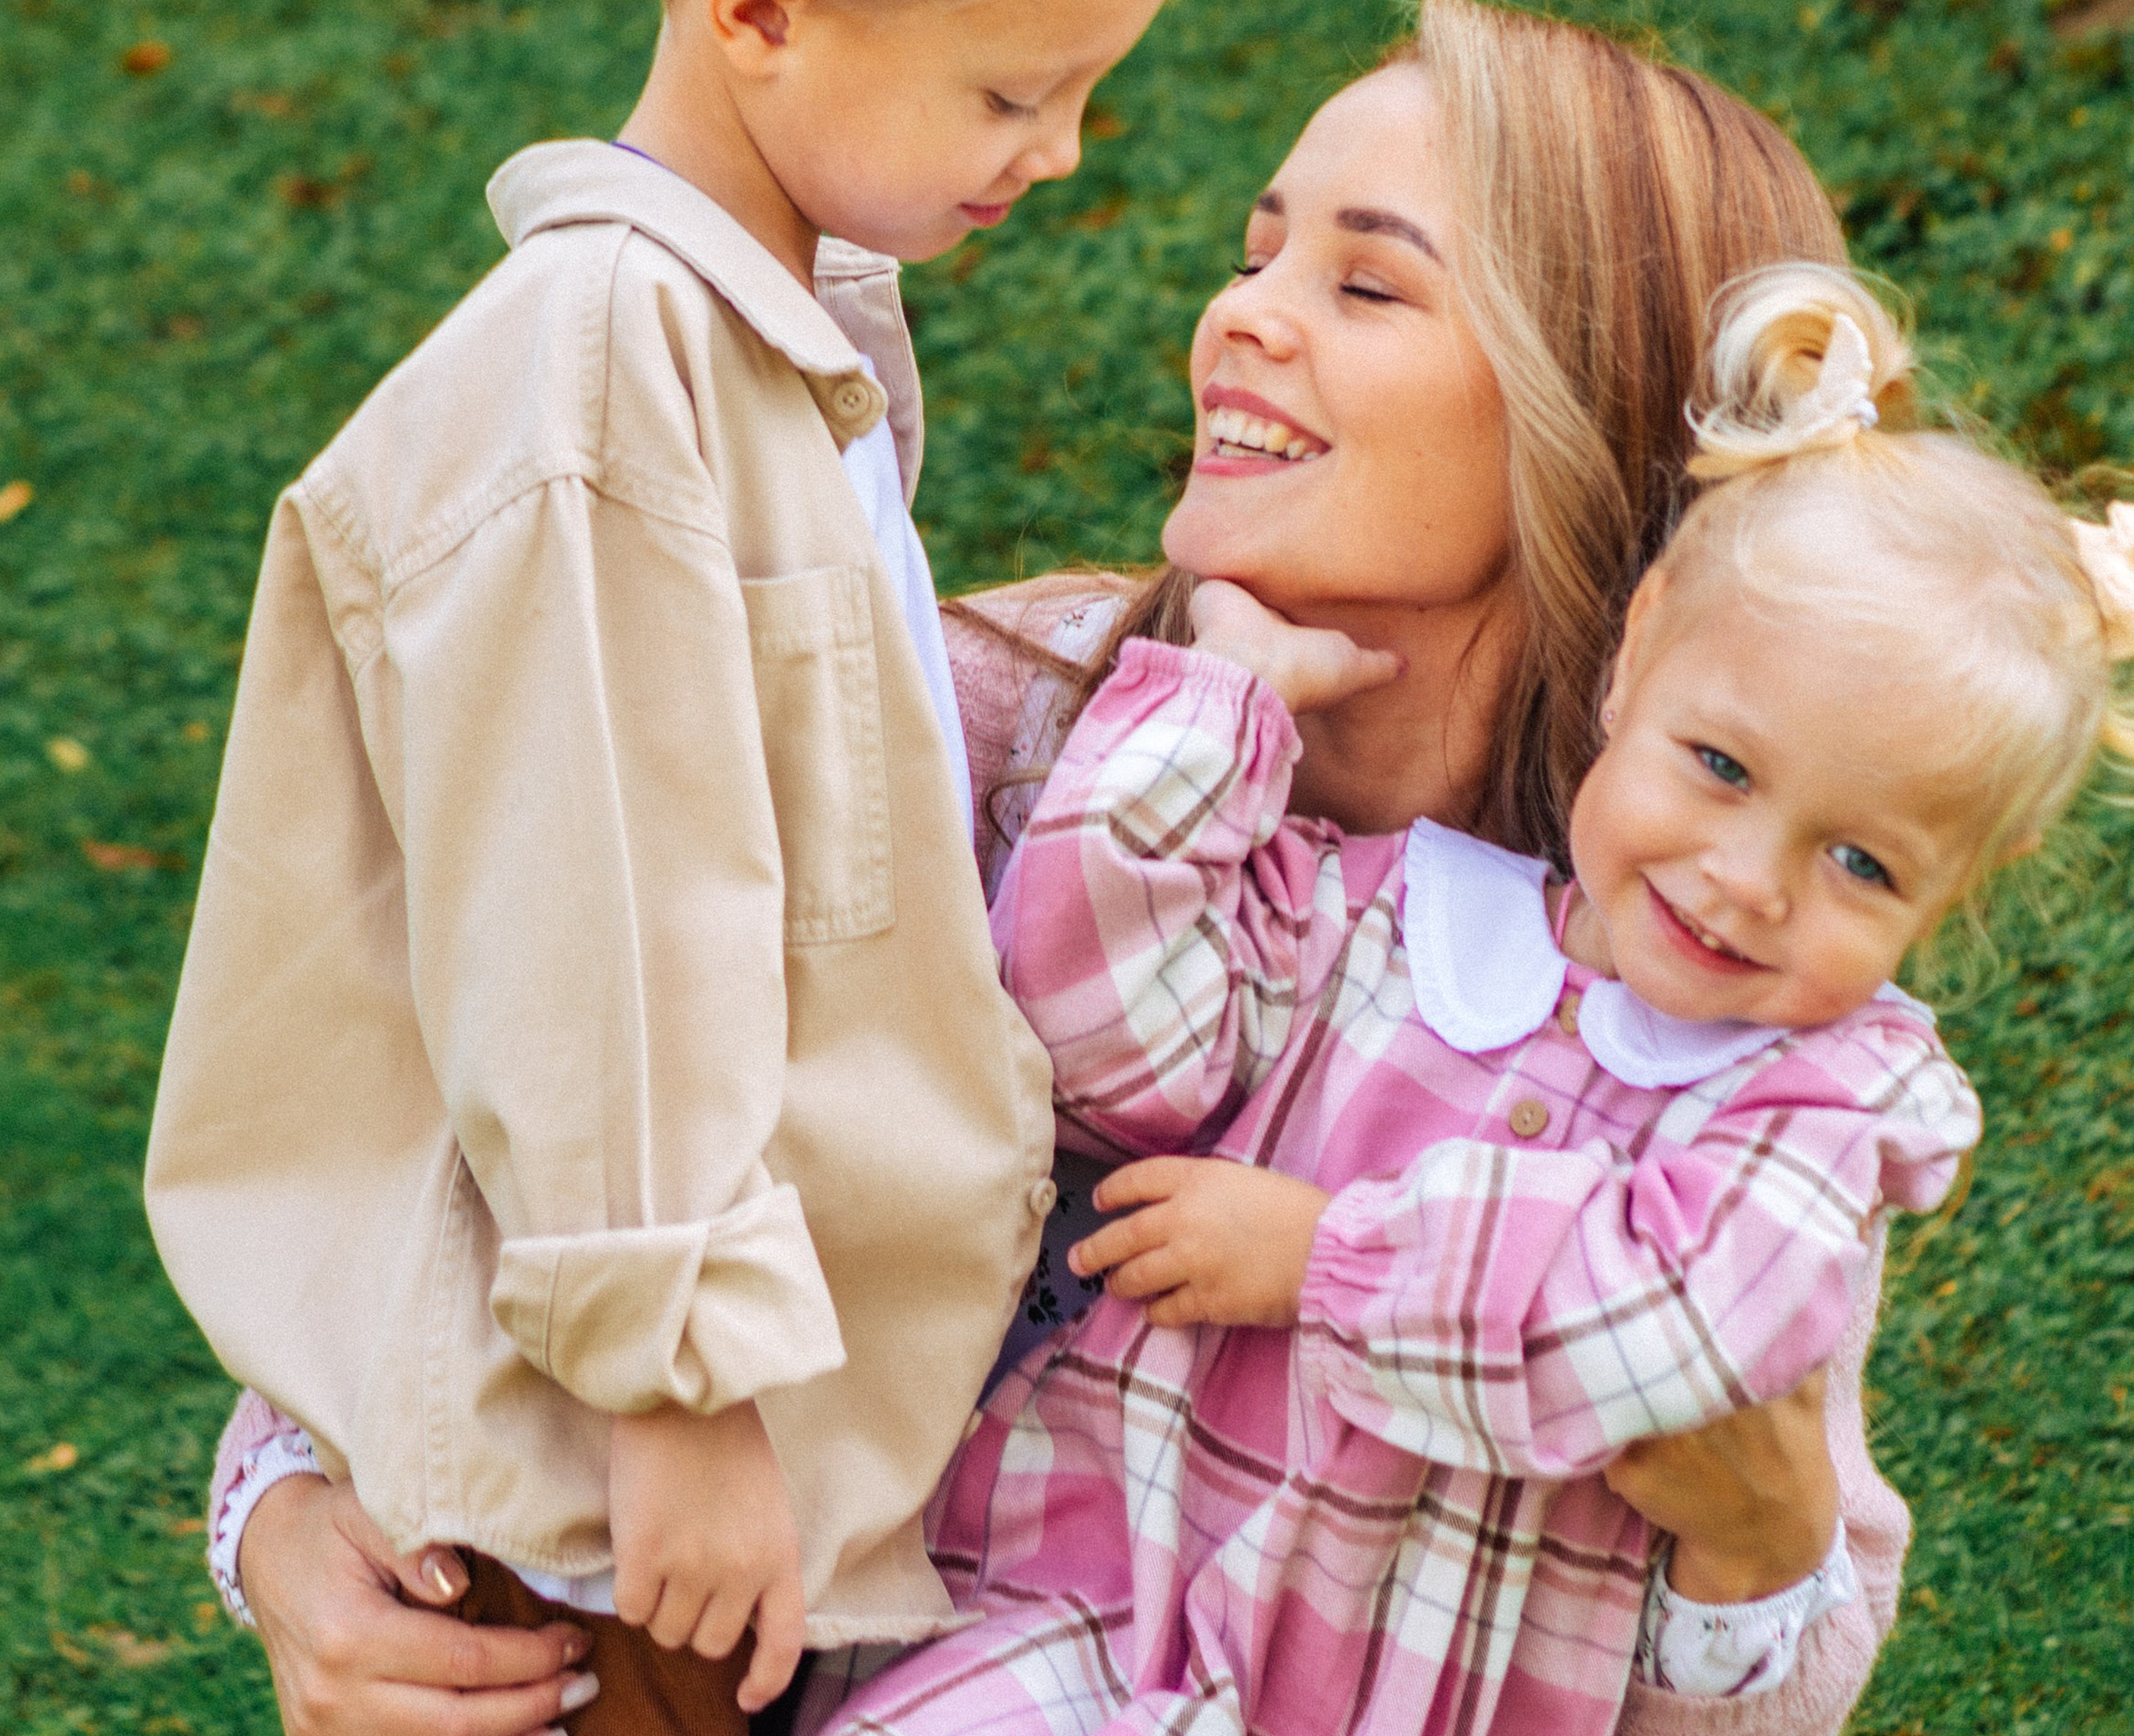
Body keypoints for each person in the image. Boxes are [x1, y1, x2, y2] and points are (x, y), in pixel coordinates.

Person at [207, 0, 1909, 1736]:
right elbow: (528, 1060)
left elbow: (1766, 1638)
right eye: (1258, 256)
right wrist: (281, 1514)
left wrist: (1762, 1544)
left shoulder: (1707, 953)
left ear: (1583, 413)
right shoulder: (983, 717)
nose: (1242, 319)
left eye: (1367, 284)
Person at [146, 0, 1212, 1736]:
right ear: (759, 14)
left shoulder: (747, 356)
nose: (1060, 149)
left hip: (669, 1465)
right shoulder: (601, 380)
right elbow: (596, 917)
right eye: (1011, 91)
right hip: (591, 1508)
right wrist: (675, 1390)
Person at [823, 260, 2134, 1736]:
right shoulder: (1389, 916)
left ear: (1966, 879)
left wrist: (1328, 1260)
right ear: (1637, 657)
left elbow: (1671, 1331)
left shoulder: (1820, 1106)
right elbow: (1099, 1039)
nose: (1748, 881)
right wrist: (1214, 706)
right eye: (1721, 767)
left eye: (1862, 861)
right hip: (1086, 1625)